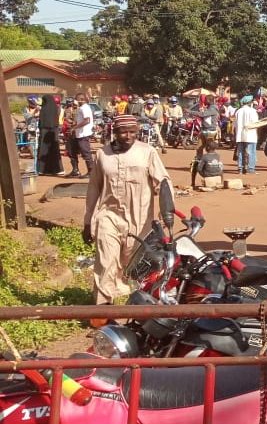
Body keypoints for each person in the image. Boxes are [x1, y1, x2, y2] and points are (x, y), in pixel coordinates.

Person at [83, 114, 174, 309]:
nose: (128, 136)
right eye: (123, 132)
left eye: (132, 132)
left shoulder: (147, 152)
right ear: (114, 132)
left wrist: (168, 211)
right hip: (109, 215)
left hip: (140, 219)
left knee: (132, 265)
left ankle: (138, 305)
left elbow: (164, 182)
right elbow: (93, 188)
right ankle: (103, 312)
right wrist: (88, 220)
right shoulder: (102, 154)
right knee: (106, 261)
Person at [67, 92, 95, 178]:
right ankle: (75, 171)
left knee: (86, 153)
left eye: (76, 99)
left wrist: (74, 127)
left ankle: (91, 172)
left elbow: (87, 120)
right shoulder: (81, 108)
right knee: (72, 151)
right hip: (78, 134)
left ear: (81, 99)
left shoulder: (85, 108)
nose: (75, 100)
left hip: (84, 134)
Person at [36, 95, 65, 176]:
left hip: (44, 132)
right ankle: (58, 170)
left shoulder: (44, 109)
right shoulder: (56, 109)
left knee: (43, 151)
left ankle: (42, 170)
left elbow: (41, 122)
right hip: (54, 132)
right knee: (55, 151)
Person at [233, 95, 260, 174]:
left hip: (240, 134)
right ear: (250, 103)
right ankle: (251, 169)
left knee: (240, 151)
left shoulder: (238, 111)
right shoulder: (253, 111)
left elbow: (235, 124)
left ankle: (240, 168)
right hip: (251, 134)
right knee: (251, 151)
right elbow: (256, 123)